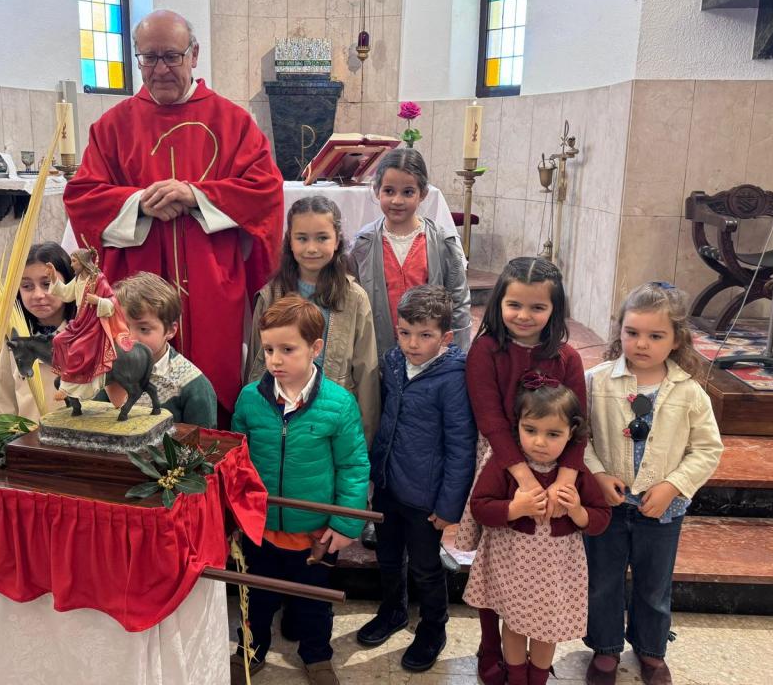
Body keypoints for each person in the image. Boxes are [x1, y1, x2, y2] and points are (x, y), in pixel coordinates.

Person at [64, 9, 284, 419]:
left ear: (194, 54)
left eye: (172, 56)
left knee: (210, 387)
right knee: (132, 384)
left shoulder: (232, 121)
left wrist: (196, 195)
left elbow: (265, 189)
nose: (160, 68)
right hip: (138, 279)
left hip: (210, 281)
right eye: (149, 57)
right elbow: (82, 197)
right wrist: (138, 203)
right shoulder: (112, 126)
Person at [454, 256, 588, 685]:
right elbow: (490, 419)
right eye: (515, 305)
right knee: (496, 564)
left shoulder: (566, 357)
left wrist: (564, 482)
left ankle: (530, 661)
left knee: (534, 569)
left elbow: (580, 426)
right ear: (498, 304)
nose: (524, 316)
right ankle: (491, 644)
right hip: (500, 460)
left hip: (555, 465)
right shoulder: (486, 350)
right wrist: (526, 481)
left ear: (554, 310)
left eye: (537, 307)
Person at [582, 283, 723, 685]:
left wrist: (674, 486)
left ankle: (650, 650)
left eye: (655, 336)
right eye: (632, 332)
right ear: (620, 332)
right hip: (608, 506)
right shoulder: (597, 381)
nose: (641, 343)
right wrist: (596, 473)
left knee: (653, 586)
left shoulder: (689, 392)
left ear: (677, 339)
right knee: (603, 580)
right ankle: (605, 648)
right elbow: (581, 437)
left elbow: (707, 450)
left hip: (662, 512)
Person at [230, 296, 370, 685]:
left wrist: (344, 524)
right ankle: (250, 651)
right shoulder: (249, 400)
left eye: (287, 349)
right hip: (261, 527)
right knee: (255, 598)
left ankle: (317, 656)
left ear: (315, 348)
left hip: (313, 534)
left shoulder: (339, 404)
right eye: (269, 349)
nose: (275, 359)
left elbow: (353, 466)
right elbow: (236, 461)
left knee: (314, 602)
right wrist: (237, 513)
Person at [356, 285, 476, 672]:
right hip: (389, 485)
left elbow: (461, 446)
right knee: (389, 557)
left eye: (424, 336)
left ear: (445, 338)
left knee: (426, 566)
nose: (412, 343)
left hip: (426, 498)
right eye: (405, 332)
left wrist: (448, 507)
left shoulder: (453, 378)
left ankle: (433, 627)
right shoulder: (393, 362)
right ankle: (393, 611)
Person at [464, 378, 610, 685]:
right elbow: (480, 507)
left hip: (556, 573)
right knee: (514, 625)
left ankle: (539, 678)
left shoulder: (576, 474)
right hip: (512, 566)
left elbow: (601, 518)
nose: (540, 442)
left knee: (547, 630)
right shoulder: (504, 466)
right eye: (530, 430)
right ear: (518, 425)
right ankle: (517, 676)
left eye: (553, 434)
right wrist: (514, 509)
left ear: (572, 433)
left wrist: (578, 512)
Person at [246, 195, 379, 444]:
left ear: (337, 240)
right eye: (302, 238)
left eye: (322, 238)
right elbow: (256, 364)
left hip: (333, 418)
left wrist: (365, 437)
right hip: (280, 412)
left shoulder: (354, 298)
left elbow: (366, 371)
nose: (311, 248)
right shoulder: (271, 295)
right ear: (289, 241)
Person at [350, 147, 471, 360]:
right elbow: (353, 303)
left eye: (408, 192)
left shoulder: (443, 242)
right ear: (377, 190)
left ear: (423, 193)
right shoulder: (363, 244)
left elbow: (459, 302)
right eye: (389, 191)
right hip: (379, 352)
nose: (397, 200)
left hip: (431, 354)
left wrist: (457, 357)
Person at [110, 271, 217, 427]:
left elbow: (203, 445)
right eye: (123, 327)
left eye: (144, 329)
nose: (130, 338)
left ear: (170, 330)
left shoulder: (194, 386)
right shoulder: (108, 369)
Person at [0, 242, 78, 422]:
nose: (38, 295)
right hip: (28, 443)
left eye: (47, 284)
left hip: (76, 442)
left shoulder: (87, 335)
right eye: (27, 286)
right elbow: (5, 398)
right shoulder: (14, 337)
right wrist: (2, 441)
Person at [46, 245, 132, 414]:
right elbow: (66, 293)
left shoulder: (98, 279)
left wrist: (98, 301)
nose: (71, 265)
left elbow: (113, 302)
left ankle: (68, 388)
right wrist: (54, 278)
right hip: (80, 321)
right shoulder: (78, 279)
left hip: (94, 324)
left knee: (78, 348)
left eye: (74, 261)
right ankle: (66, 376)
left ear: (83, 262)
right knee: (58, 340)